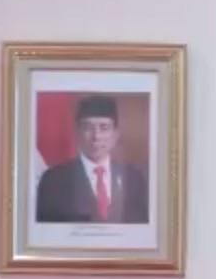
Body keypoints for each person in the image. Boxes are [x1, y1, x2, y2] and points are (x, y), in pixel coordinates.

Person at [35, 94, 150, 224]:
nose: (96, 136)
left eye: (104, 128)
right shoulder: (53, 181)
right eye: (88, 128)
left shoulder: (134, 178)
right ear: (77, 133)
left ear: (115, 134)